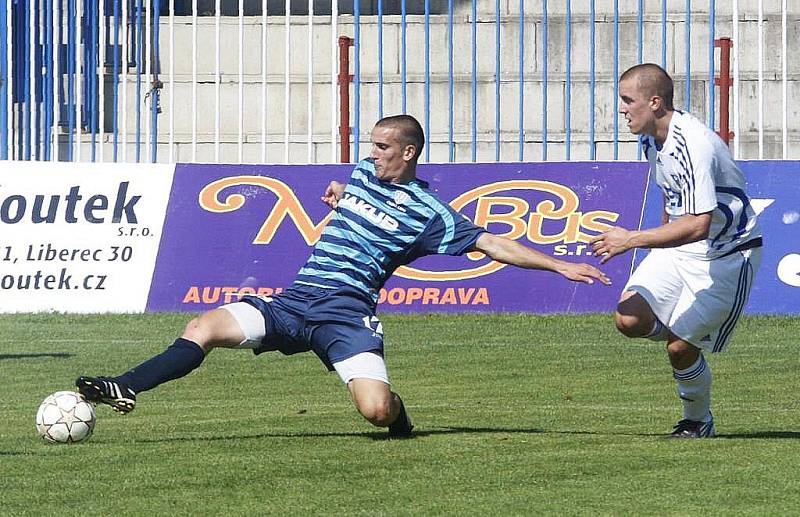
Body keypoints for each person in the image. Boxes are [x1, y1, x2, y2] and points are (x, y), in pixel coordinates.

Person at [77, 114, 610, 437]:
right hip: (295, 301)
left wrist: (559, 263)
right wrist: (341, 191)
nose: (371, 154)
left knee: (376, 412)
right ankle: (122, 387)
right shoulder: (360, 175)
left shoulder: (430, 213)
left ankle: (400, 418)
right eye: (370, 146)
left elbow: (491, 241)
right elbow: (350, 190)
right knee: (203, 328)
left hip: (346, 314)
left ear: (408, 152)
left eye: (381, 147)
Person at [590, 64, 762, 438]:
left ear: (654, 102)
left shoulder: (695, 144)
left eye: (627, 100)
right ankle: (683, 330)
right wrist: (659, 241)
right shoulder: (651, 137)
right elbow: (670, 196)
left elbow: (700, 223)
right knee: (628, 319)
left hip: (726, 255)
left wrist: (631, 239)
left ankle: (697, 421)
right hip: (681, 248)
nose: (621, 110)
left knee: (679, 348)